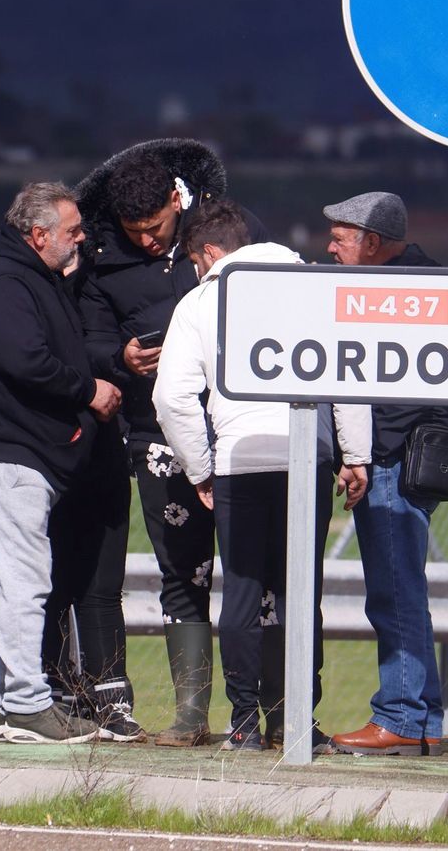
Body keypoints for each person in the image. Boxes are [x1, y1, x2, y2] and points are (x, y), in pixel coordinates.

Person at [153, 199, 372, 752]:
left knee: (244, 595)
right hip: (309, 459)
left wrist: (201, 469)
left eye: (196, 263)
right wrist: (356, 454)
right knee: (300, 593)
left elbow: (171, 396)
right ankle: (295, 719)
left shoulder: (202, 301)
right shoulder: (312, 287)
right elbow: (347, 374)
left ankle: (245, 721)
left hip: (240, 462)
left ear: (210, 253)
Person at [72, 139, 237, 747]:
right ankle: (192, 716)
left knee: (257, 573)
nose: (146, 240)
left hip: (241, 432)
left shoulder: (230, 237)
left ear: (178, 198)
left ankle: (269, 714)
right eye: (133, 230)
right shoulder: (103, 260)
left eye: (157, 226)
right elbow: (85, 337)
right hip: (154, 438)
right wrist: (120, 357)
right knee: (182, 573)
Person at [0, 181, 122, 744]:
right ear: (37, 234)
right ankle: (26, 703)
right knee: (25, 577)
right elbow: (27, 360)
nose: (81, 239)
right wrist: (88, 391)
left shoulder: (26, 276)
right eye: (72, 231)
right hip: (14, 446)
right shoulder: (7, 281)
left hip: (4, 445)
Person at [321, 191, 448, 757]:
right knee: (404, 590)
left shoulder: (397, 292)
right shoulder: (434, 282)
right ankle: (422, 719)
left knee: (394, 595)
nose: (328, 247)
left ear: (372, 243)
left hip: (393, 464)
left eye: (339, 237)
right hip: (418, 460)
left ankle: (401, 717)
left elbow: (399, 393)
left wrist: (362, 454)